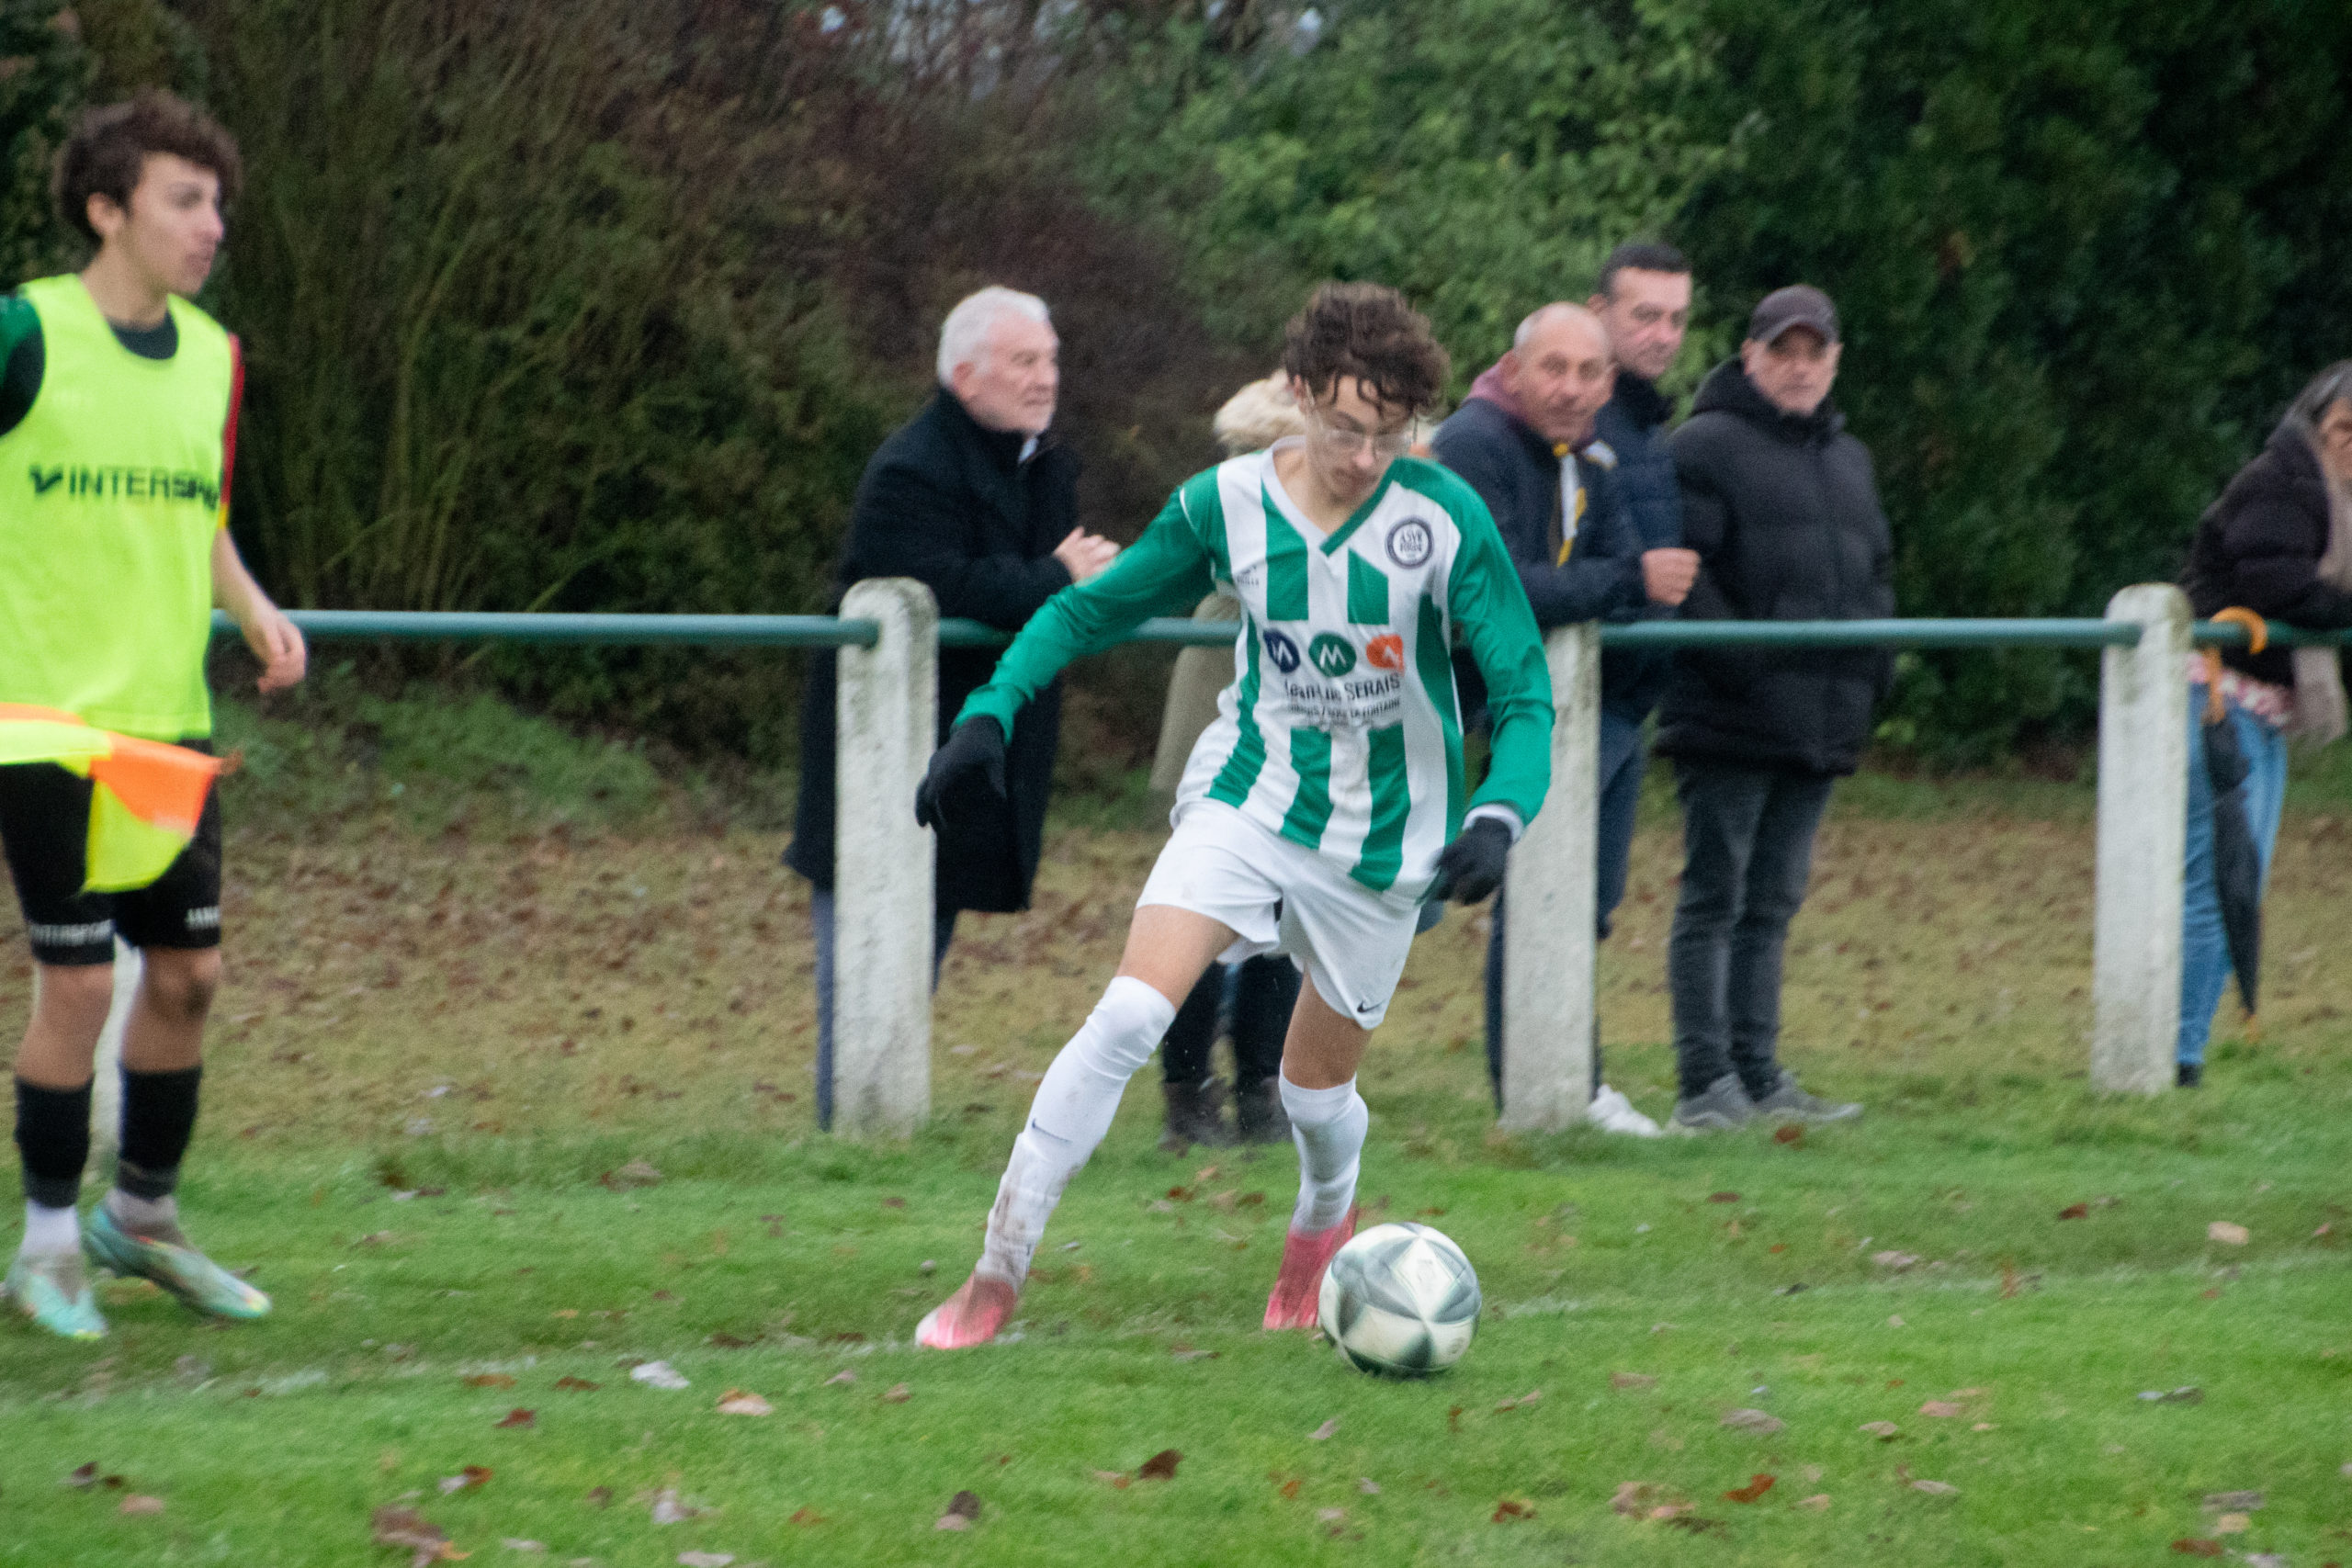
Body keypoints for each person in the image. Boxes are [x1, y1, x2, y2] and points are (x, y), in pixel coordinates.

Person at [910, 283, 1553, 1348]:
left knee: (1312, 1100)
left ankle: (1320, 1223)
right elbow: (1087, 609)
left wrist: (1498, 814)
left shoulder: (1444, 518)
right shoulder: (1225, 504)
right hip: (1249, 801)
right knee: (1128, 1015)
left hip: (1386, 844)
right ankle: (996, 1272)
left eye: (1389, 433)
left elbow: (1525, 694)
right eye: (1342, 427)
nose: (1364, 456)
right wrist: (989, 712)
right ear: (1297, 394)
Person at [1, 92, 308, 1340]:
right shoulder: (26, 331)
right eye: (185, 200)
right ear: (106, 209)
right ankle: (46, 1247)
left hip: (166, 727)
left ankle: (145, 1218)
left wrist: (255, 607)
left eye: (217, 203)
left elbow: (201, 516)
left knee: (187, 977)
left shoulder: (215, 358)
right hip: (39, 721)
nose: (212, 225)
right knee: (78, 985)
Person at [784, 287, 1118, 1129]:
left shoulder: (1043, 465)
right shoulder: (911, 468)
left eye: (1050, 361)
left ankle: (871, 1129)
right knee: (867, 949)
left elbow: (1046, 590)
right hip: (883, 755)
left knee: (920, 946)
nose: (1046, 379)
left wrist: (1066, 581)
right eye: (1024, 361)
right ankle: (850, 1133)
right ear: (965, 376)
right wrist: (1058, 575)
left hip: (964, 750)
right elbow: (936, 585)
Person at [1431, 301, 1696, 1134]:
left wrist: (1615, 581)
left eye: (1588, 373)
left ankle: (1567, 1085)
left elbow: (1608, 569)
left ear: (1609, 384)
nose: (1572, 388)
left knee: (1582, 898)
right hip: (1444, 708)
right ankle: (1538, 1088)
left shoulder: (1591, 453)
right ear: (1513, 372)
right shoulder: (1472, 444)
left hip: (1579, 703)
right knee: (1340, 908)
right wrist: (1626, 580)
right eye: (1554, 368)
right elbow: (1504, 587)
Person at [1657, 285, 1885, 1133]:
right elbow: (1687, 578)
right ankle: (1703, 1080)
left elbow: (1876, 575)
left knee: (1774, 902)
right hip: (1728, 717)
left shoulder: (1849, 458)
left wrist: (1870, 675)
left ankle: (1758, 1071)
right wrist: (1749, 670)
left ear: (1835, 361)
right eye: (1782, 350)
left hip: (1820, 721)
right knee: (1714, 897)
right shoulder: (1704, 445)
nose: (1798, 367)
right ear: (1749, 354)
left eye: (1813, 352)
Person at [2177, 362, 2352, 1086]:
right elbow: (2279, 587)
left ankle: (2184, 1050)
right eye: (2345, 428)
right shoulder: (2281, 482)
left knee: (2240, 887)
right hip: (2216, 697)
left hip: (2265, 710)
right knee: (2217, 884)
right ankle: (2174, 1057)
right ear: (2315, 425)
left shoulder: (2338, 502)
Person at [1147, 374, 1306, 1150]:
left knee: (1285, 910)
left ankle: (1262, 1086)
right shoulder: (1238, 500)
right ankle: (1188, 1095)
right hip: (1229, 689)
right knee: (1204, 911)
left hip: (1301, 708)